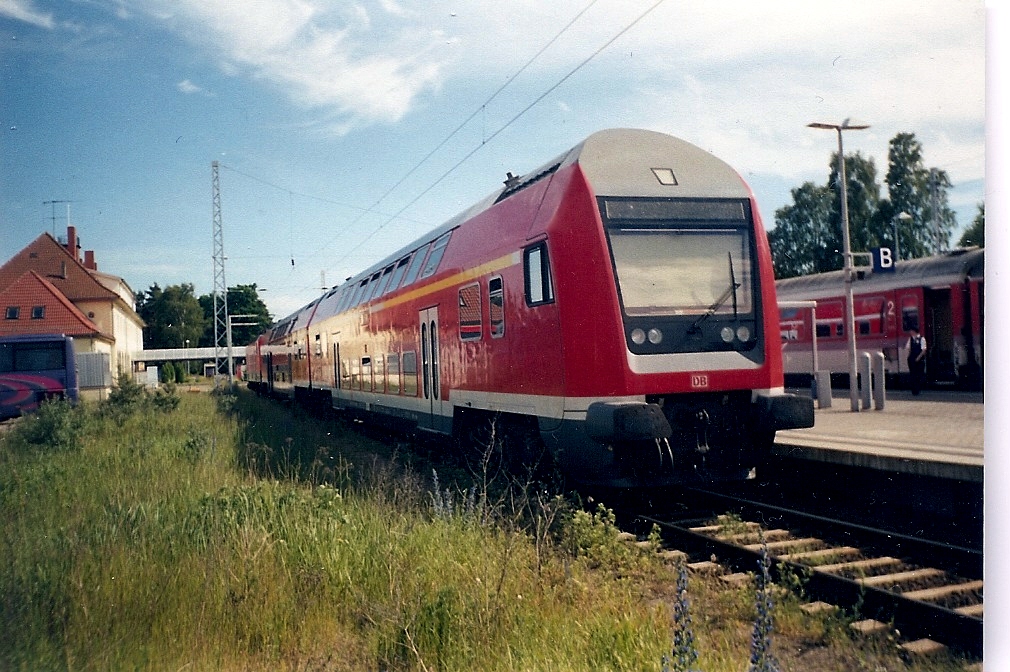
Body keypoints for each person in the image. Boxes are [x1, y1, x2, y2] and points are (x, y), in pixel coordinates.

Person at [906, 327, 927, 395]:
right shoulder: (910, 339)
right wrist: (909, 357)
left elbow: (923, 350)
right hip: (912, 359)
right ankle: (914, 390)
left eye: (911, 331)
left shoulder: (922, 339)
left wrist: (918, 358)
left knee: (918, 374)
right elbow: (908, 348)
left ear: (914, 331)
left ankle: (918, 389)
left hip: (919, 359)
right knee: (913, 374)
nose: (910, 332)